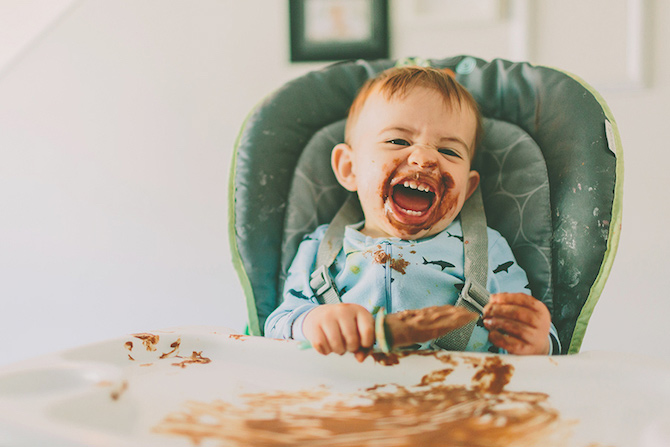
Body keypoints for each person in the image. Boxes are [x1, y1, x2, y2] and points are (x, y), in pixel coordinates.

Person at [265, 66, 560, 360]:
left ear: (467, 190)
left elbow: (533, 337)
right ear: (349, 168)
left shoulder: (486, 249)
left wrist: (539, 341)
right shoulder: (321, 249)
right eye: (398, 141)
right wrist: (312, 323)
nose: (424, 158)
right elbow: (277, 326)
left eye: (449, 151)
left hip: (461, 396)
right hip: (346, 393)